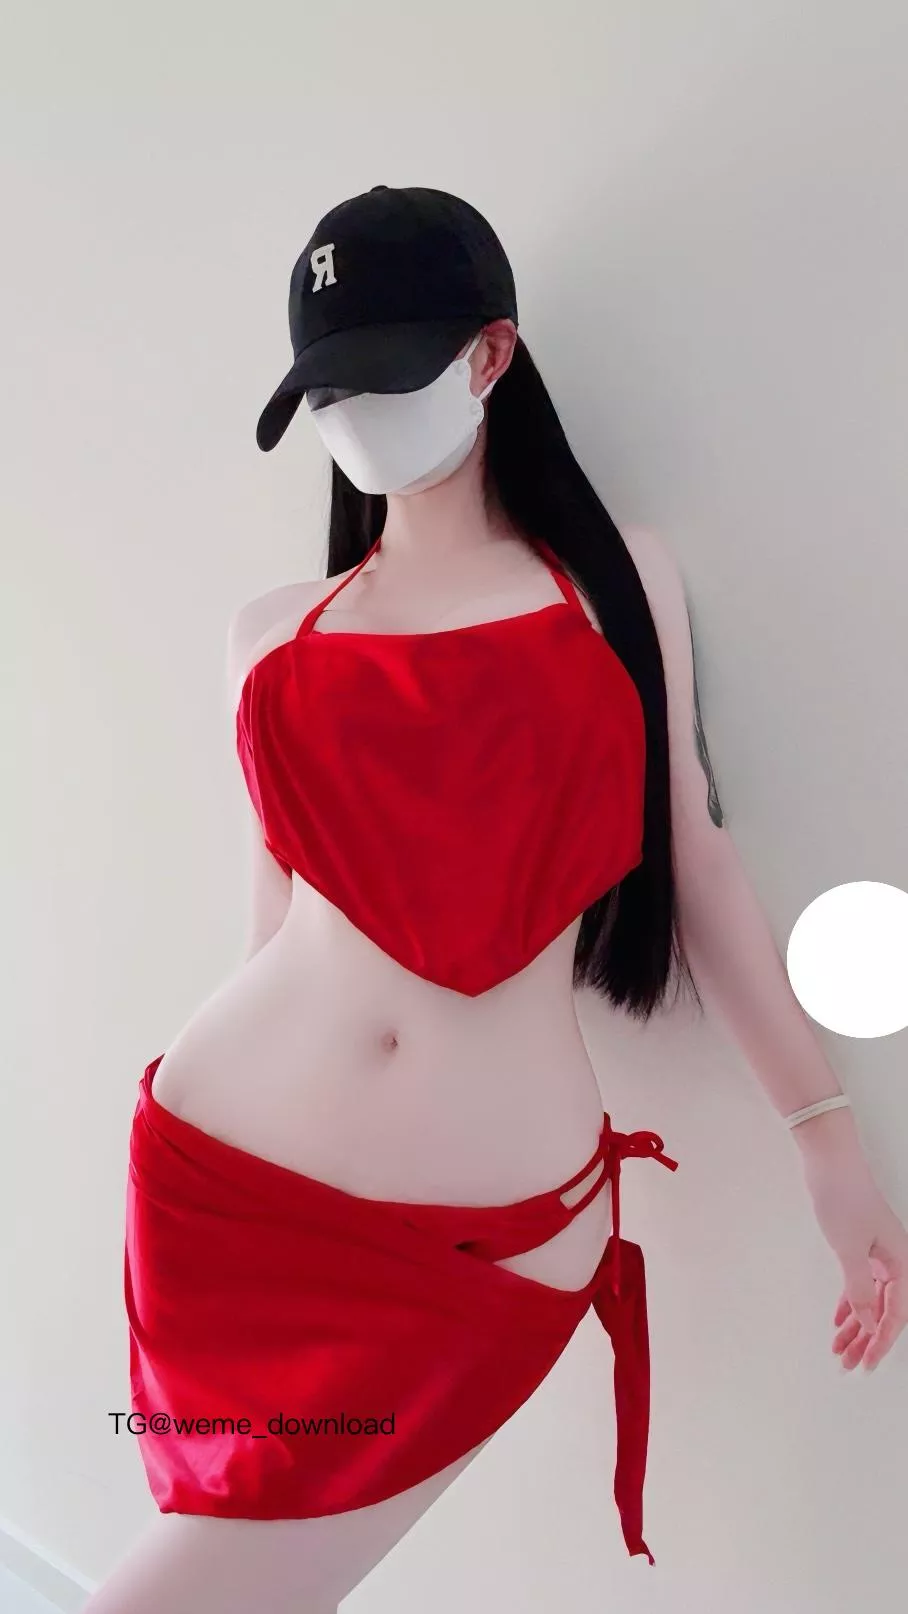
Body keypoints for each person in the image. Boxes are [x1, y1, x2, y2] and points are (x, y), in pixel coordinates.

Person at [85, 186, 907, 1614]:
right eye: (328, 389)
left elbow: (698, 862)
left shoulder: (618, 588)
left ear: (491, 355)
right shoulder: (268, 634)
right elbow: (275, 930)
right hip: (226, 1199)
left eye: (387, 371)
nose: (356, 414)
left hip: (483, 1241)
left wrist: (824, 1139)